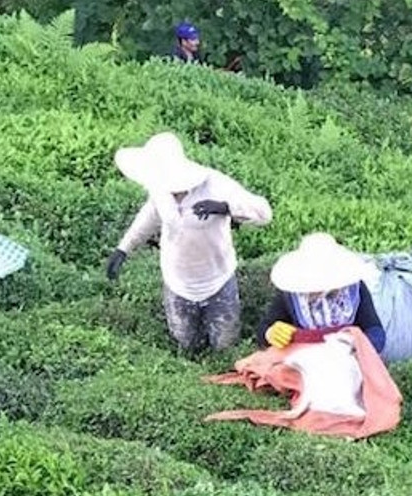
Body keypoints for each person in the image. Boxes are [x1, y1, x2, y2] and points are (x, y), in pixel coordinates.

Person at [107, 132, 273, 354]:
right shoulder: (159, 189)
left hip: (218, 280)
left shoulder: (215, 184)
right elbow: (147, 218)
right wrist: (123, 249)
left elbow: (264, 213)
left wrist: (226, 208)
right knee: (185, 346)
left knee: (224, 346)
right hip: (178, 283)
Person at [256, 233, 386, 354]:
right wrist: (270, 333)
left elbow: (375, 329)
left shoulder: (354, 289)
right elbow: (264, 326)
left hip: (346, 355)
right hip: (304, 356)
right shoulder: (291, 294)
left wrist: (357, 345)